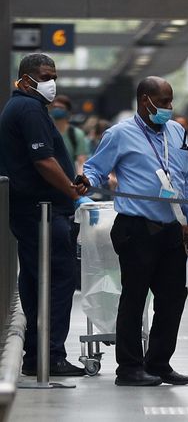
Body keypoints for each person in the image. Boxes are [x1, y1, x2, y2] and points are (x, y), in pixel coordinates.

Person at [79, 76, 188, 387]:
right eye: (163, 102)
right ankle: (129, 367)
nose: (169, 108)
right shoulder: (119, 134)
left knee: (173, 296)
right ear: (144, 100)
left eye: (171, 101)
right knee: (134, 298)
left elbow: (186, 179)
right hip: (136, 229)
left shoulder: (177, 132)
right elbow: (95, 168)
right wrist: (85, 182)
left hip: (172, 228)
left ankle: (159, 363)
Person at [0, 53, 88, 377]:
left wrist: (71, 183)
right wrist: (71, 190)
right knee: (55, 283)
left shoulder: (25, 107)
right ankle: (50, 356)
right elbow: (43, 161)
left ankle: (37, 355)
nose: (51, 82)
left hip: (35, 214)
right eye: (45, 75)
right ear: (25, 80)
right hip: (42, 215)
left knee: (38, 282)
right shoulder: (27, 108)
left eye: (54, 76)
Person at [50, 94, 91, 174]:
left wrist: (79, 180)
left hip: (69, 180)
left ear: (68, 112)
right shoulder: (46, 131)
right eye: (55, 107)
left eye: (61, 108)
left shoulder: (76, 134)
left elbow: (81, 162)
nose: (57, 110)